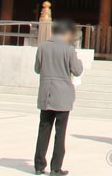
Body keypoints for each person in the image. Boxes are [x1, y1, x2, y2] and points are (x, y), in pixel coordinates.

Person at [34, 19, 83, 176]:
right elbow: (77, 70)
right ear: (67, 33)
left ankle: (39, 165)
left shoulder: (42, 47)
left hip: (46, 94)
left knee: (43, 129)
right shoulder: (68, 50)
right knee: (60, 132)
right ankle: (56, 167)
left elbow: (37, 69)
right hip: (62, 95)